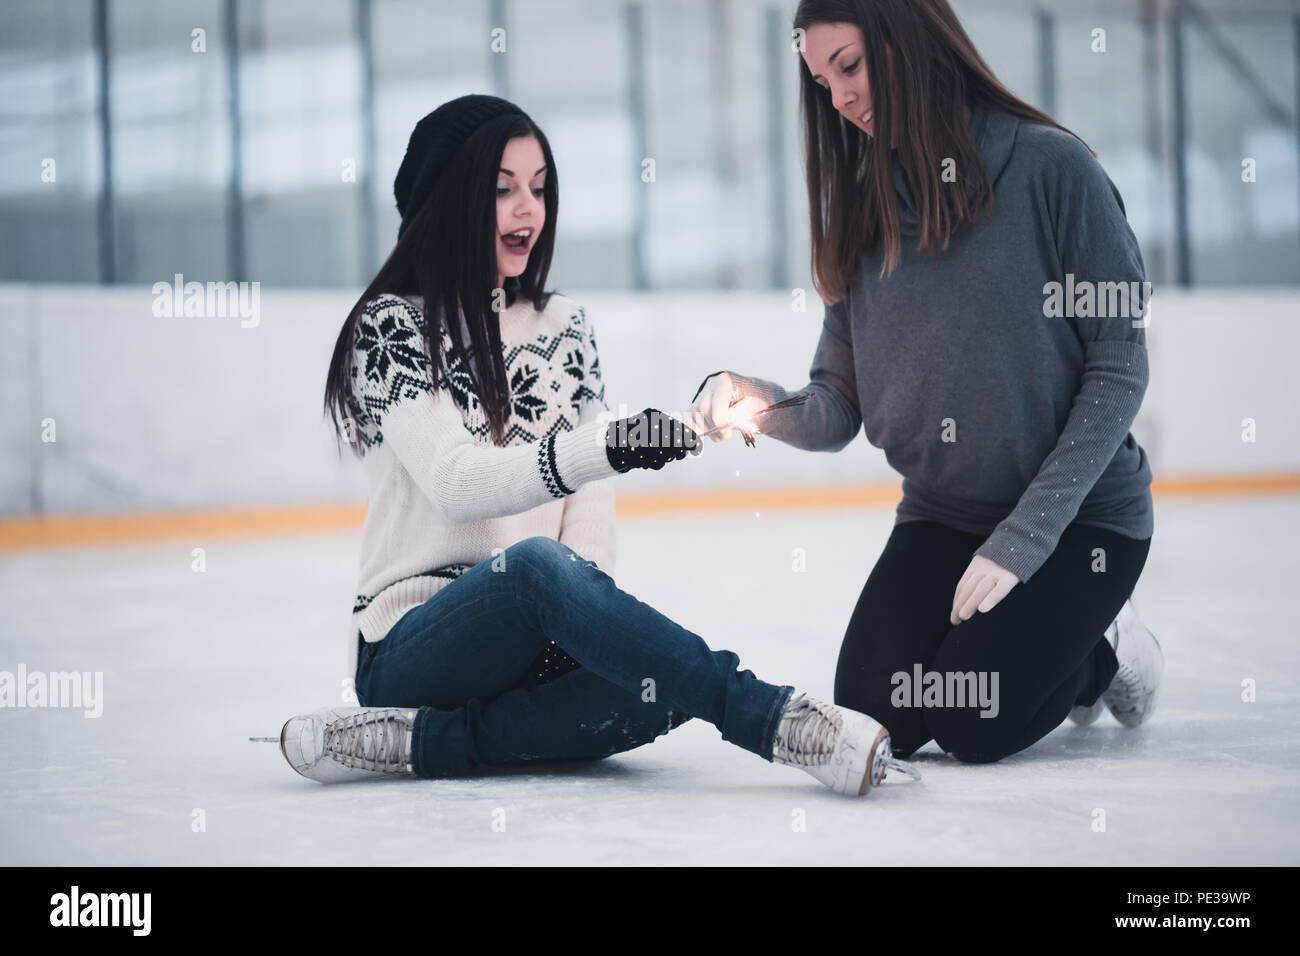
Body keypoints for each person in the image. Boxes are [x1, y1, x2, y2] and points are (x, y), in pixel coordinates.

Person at [280, 94, 919, 795]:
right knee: (537, 571)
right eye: (502, 190)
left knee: (661, 684)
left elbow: (588, 514)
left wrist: (585, 630)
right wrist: (608, 446)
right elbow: (458, 483)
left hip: (531, 638)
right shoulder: (393, 327)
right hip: (412, 646)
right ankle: (777, 720)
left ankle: (424, 740)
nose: (529, 208)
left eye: (540, 187)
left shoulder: (567, 326)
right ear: (447, 198)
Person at [688, 0, 1163, 764]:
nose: (838, 98)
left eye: (850, 66)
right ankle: (1050, 638)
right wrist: (758, 405)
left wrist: (1025, 538)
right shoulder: (860, 205)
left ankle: (1101, 648)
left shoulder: (1054, 168)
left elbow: (1120, 365)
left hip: (1080, 524)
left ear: (909, 42)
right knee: (877, 715)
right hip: (944, 516)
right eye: (820, 81)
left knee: (975, 723)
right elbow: (837, 404)